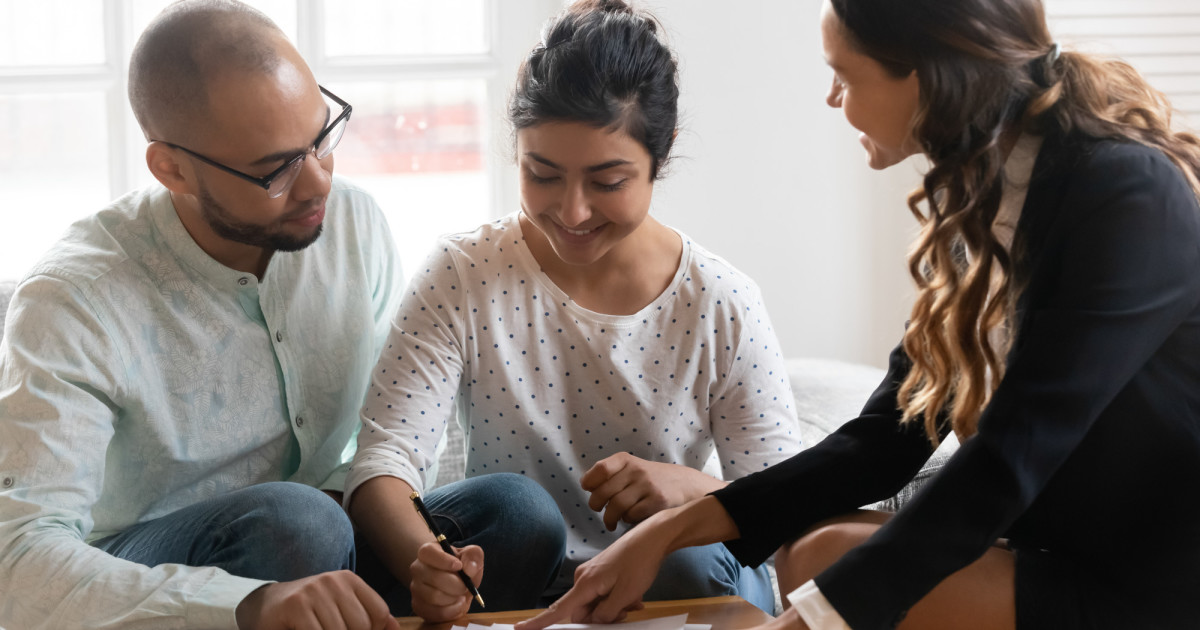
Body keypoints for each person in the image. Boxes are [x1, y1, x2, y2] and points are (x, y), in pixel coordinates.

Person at [516, 0, 1200, 629]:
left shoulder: (1125, 193)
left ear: (927, 78)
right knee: (812, 550)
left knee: (824, 579)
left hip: (1147, 582)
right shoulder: (980, 201)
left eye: (844, 74)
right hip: (1056, 547)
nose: (832, 97)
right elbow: (883, 441)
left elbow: (1013, 454)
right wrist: (664, 532)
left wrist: (809, 623)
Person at [343, 0, 802, 622]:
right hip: (514, 576)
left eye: (608, 182)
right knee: (518, 511)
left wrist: (689, 491)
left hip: (667, 582)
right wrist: (425, 559)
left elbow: (792, 501)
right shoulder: (464, 271)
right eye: (543, 175)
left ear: (658, 156)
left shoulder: (722, 302)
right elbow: (383, 459)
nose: (573, 211)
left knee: (682, 553)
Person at [0, 2, 404, 629]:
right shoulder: (73, 299)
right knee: (299, 524)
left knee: (512, 513)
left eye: (322, 137)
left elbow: (381, 438)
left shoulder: (354, 222)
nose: (320, 183)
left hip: (324, 534)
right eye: (276, 168)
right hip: (155, 571)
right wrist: (245, 605)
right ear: (173, 168)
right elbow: (16, 560)